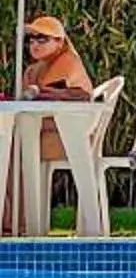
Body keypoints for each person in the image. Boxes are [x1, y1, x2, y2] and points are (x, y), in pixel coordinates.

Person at [23, 13, 92, 166]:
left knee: (12, 144)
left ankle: (16, 191)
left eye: (42, 39)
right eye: (31, 39)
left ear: (60, 42)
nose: (35, 44)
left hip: (68, 137)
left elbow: (40, 94)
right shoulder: (34, 69)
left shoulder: (67, 60)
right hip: (48, 130)